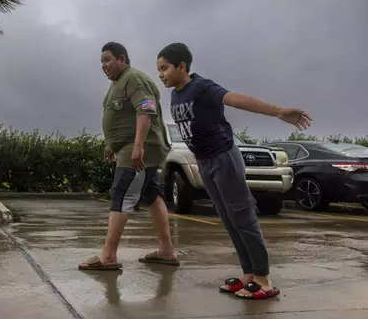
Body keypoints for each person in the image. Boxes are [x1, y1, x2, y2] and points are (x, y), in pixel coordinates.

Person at [156, 42, 312, 300]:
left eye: (165, 68)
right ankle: (249, 274)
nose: (161, 74)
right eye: (159, 70)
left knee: (243, 217)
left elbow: (235, 99)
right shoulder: (176, 95)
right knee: (228, 220)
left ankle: (263, 279)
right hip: (205, 162)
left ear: (182, 66)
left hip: (224, 158)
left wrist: (279, 112)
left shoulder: (202, 87)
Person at [78, 41, 179, 271]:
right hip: (126, 148)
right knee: (152, 195)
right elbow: (119, 116)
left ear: (122, 59)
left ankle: (108, 255)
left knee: (121, 194)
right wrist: (110, 144)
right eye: (101, 61)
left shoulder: (134, 78)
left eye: (107, 60)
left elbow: (146, 109)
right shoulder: (117, 84)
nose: (104, 65)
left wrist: (138, 146)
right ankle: (166, 251)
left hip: (139, 151)